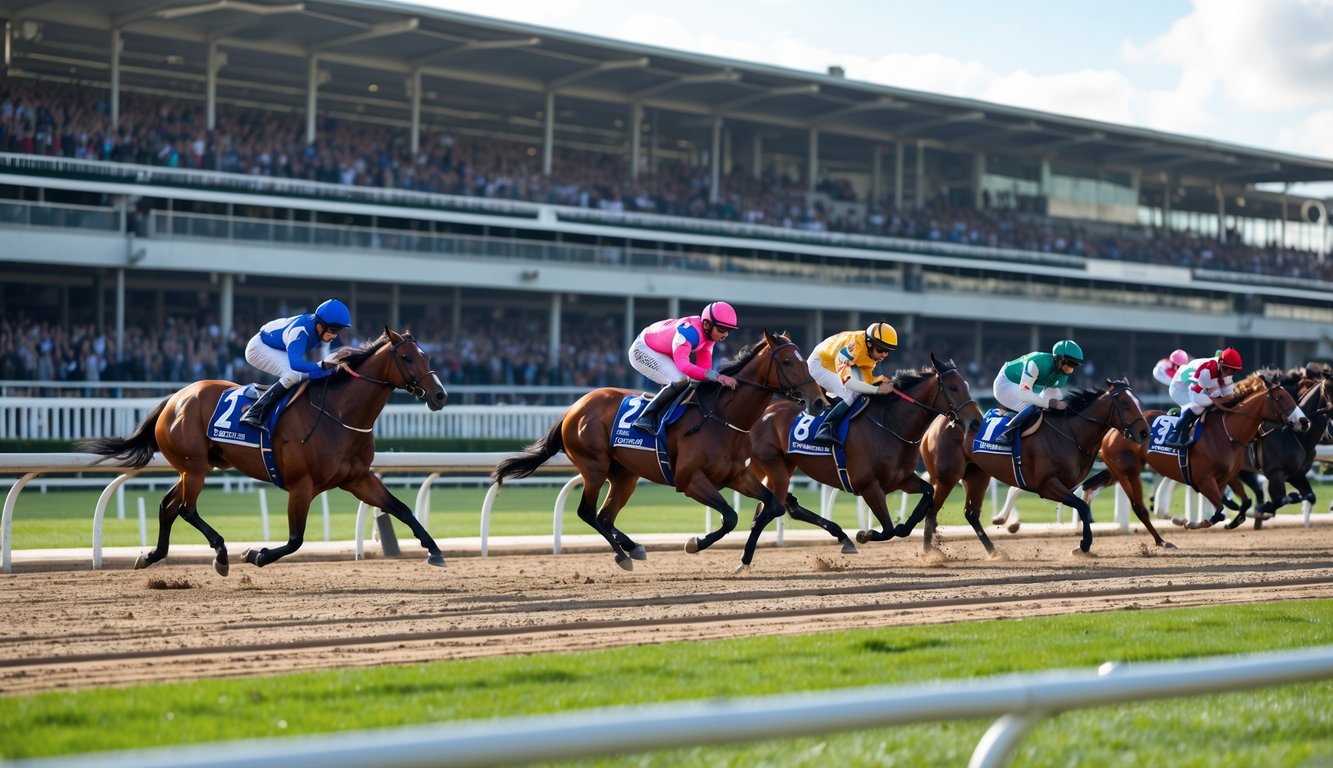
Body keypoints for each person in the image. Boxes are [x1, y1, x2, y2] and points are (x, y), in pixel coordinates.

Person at [627, 301, 739, 433]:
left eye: (728, 330)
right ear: (707, 324)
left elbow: (704, 371)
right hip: (642, 350)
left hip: (660, 350)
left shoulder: (709, 338)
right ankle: (646, 417)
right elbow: (684, 367)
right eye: (721, 329)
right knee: (681, 379)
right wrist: (718, 376)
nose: (725, 335)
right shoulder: (690, 333)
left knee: (691, 382)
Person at [240, 299, 351, 431]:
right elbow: (296, 364)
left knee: (306, 374)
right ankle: (255, 413)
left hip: (278, 347)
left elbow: (331, 358)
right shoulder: (301, 331)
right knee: (294, 374)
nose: (334, 335)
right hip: (259, 347)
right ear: (320, 325)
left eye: (338, 331)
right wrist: (323, 365)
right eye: (333, 330)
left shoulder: (322, 330)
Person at [808, 322, 898, 446]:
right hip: (819, 364)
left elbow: (875, 381)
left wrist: (895, 386)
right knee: (852, 393)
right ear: (869, 343)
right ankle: (825, 429)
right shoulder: (853, 347)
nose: (884, 354)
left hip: (832, 365)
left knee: (864, 392)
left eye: (888, 351)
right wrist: (877, 390)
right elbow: (848, 383)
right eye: (881, 349)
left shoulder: (872, 353)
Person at [992, 339, 1084, 442]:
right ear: (1058, 359)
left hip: (1025, 387)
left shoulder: (1062, 375)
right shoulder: (1037, 363)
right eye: (1070, 363)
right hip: (1006, 383)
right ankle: (1006, 434)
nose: (1071, 369)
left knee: (1056, 411)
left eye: (1075, 365)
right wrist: (1051, 404)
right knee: (1034, 409)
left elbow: (1054, 397)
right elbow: (1025, 395)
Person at [1163, 347, 1242, 448]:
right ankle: (1175, 436)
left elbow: (1229, 396)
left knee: (1215, 399)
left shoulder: (1225, 371)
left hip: (1198, 386)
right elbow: (1195, 396)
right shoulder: (1207, 371)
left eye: (1233, 371)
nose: (1228, 373)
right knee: (1197, 407)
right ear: (1220, 364)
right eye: (1226, 369)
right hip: (1180, 387)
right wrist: (1216, 401)